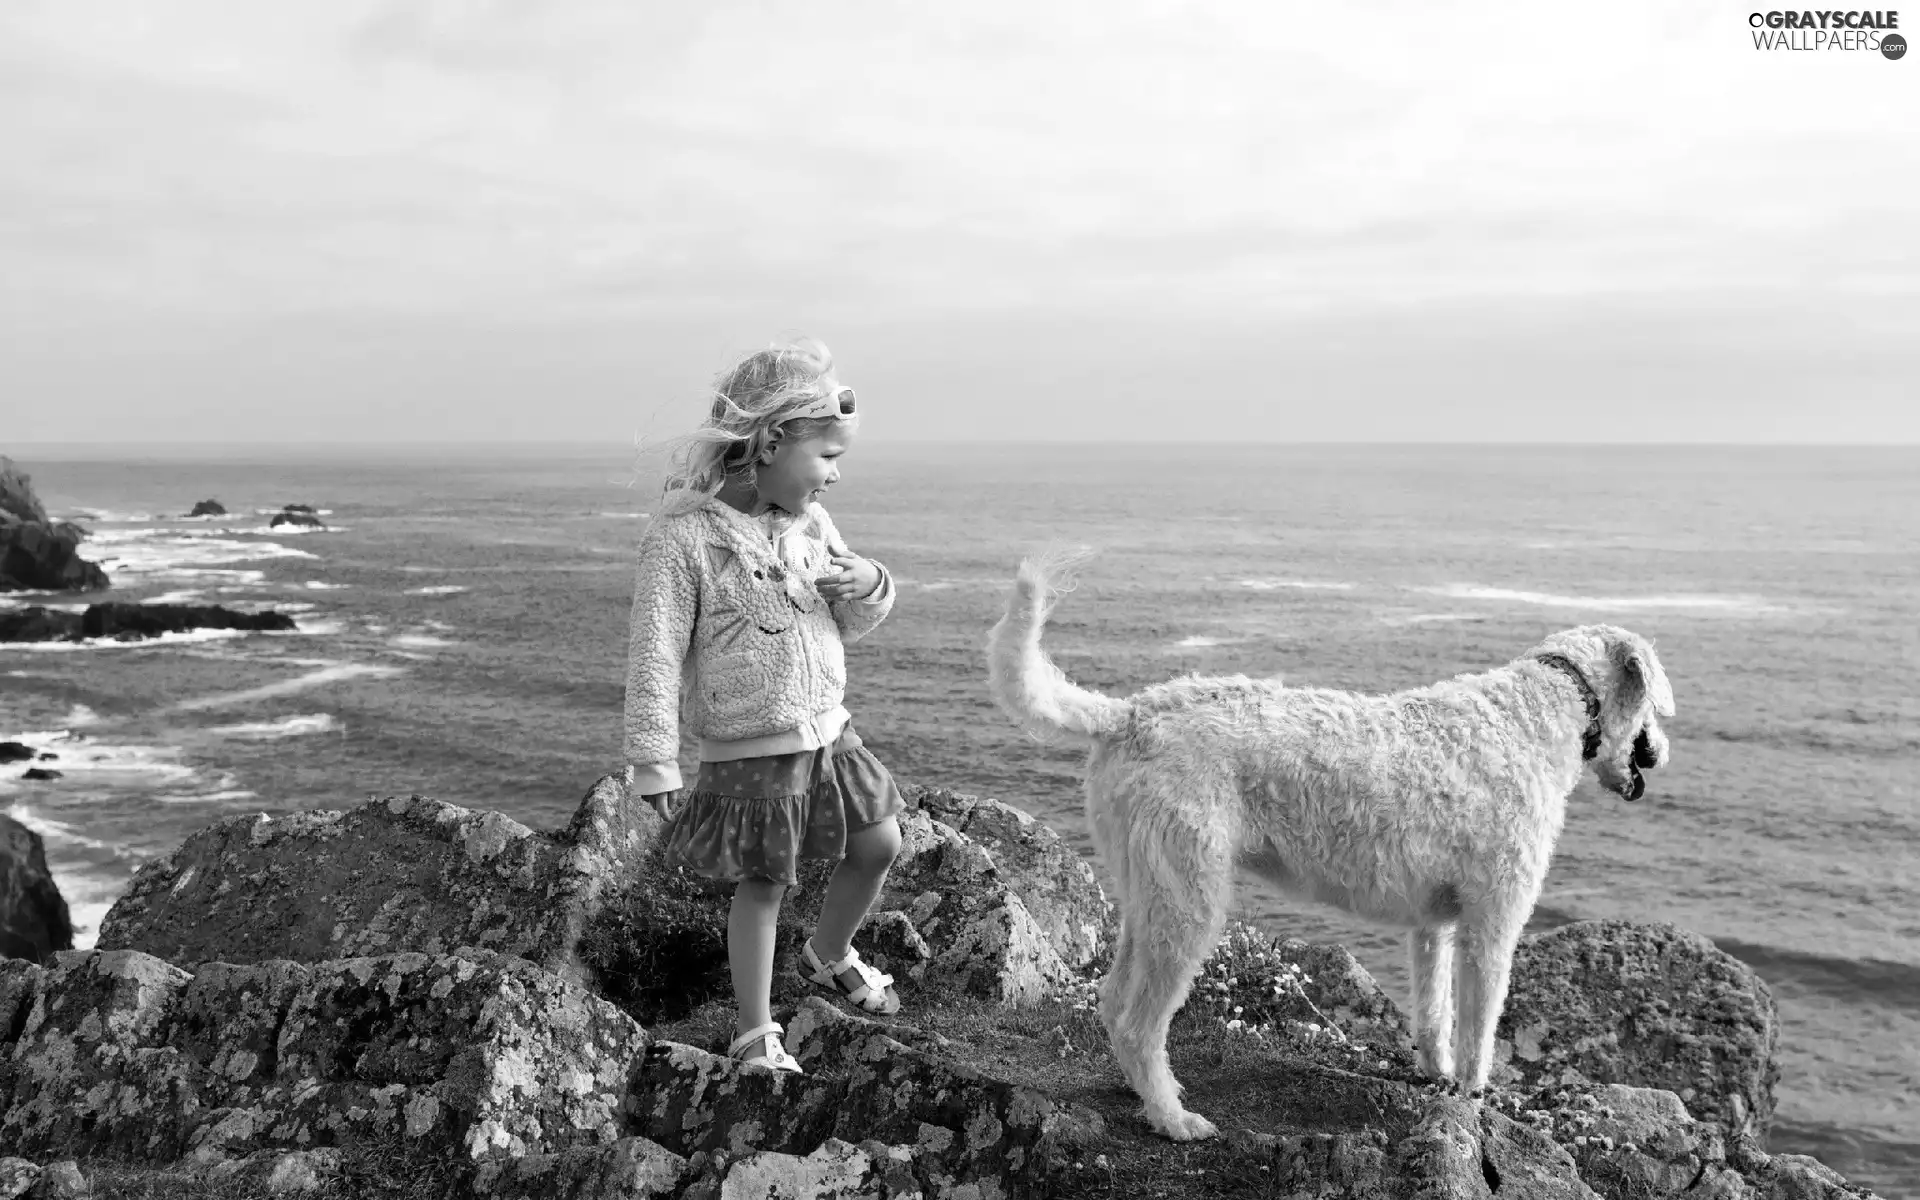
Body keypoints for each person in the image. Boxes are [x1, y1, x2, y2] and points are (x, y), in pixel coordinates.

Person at [625, 338, 904, 1074]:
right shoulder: (683, 540)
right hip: (753, 746)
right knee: (765, 886)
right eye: (827, 455)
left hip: (830, 731)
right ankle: (755, 1030)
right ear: (772, 442)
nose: (835, 475)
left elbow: (849, 619)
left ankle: (829, 952)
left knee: (879, 844)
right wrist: (655, 760)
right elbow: (654, 652)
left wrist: (869, 582)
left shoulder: (811, 527)